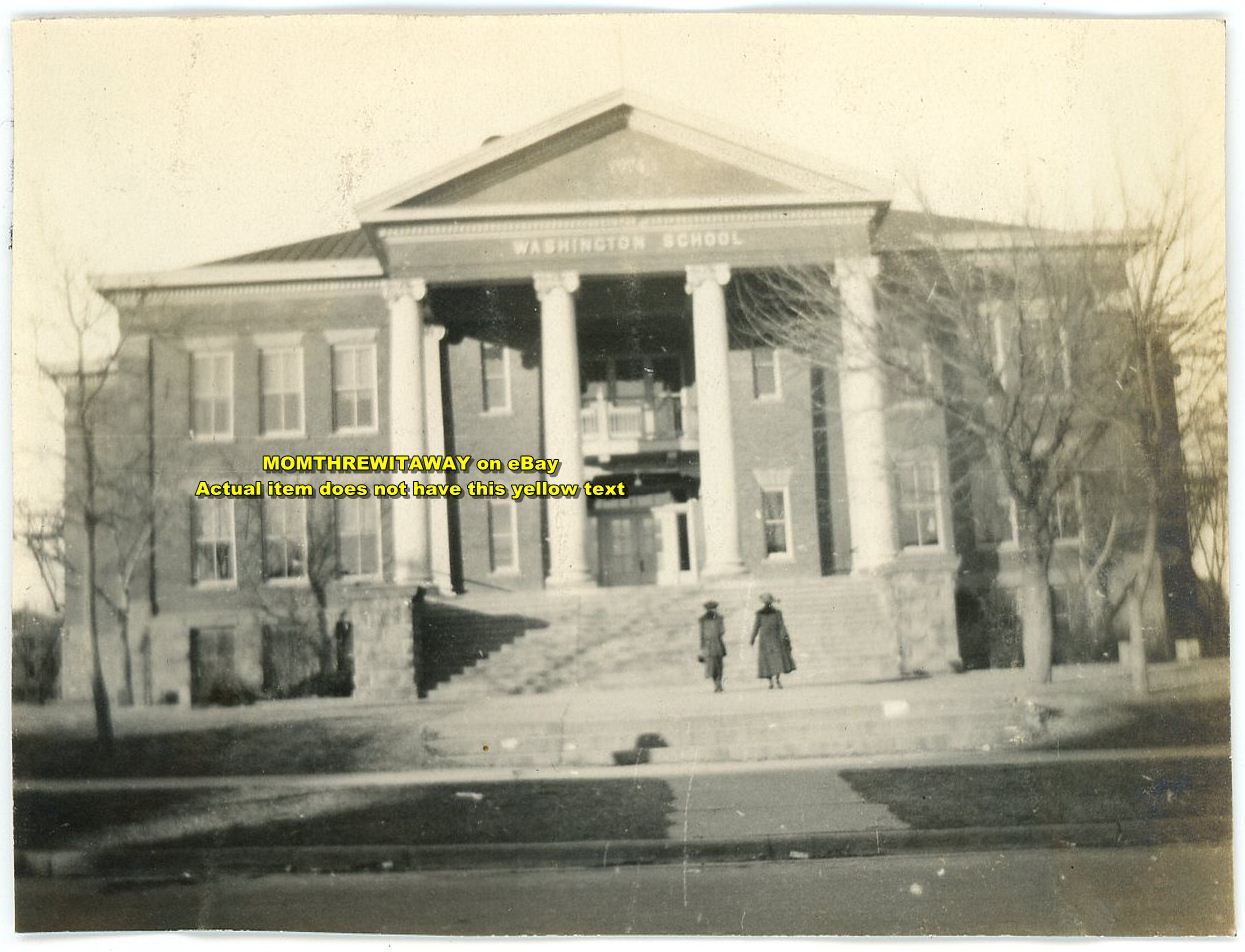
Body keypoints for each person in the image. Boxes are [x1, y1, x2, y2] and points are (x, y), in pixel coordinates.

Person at [751, 592, 796, 689]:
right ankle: (777, 679)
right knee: (776, 659)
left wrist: (752, 638)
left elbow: (756, 627)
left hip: (764, 639)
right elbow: (782, 626)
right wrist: (785, 638)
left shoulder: (759, 614)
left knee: (766, 660)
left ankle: (770, 681)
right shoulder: (777, 613)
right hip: (775, 638)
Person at [698, 600, 727, 693]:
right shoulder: (719, 618)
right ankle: (719, 684)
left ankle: (716, 684)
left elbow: (701, 635)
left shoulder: (702, 619)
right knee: (719, 665)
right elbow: (722, 631)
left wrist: (701, 647)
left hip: (707, 645)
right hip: (718, 643)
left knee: (711, 666)